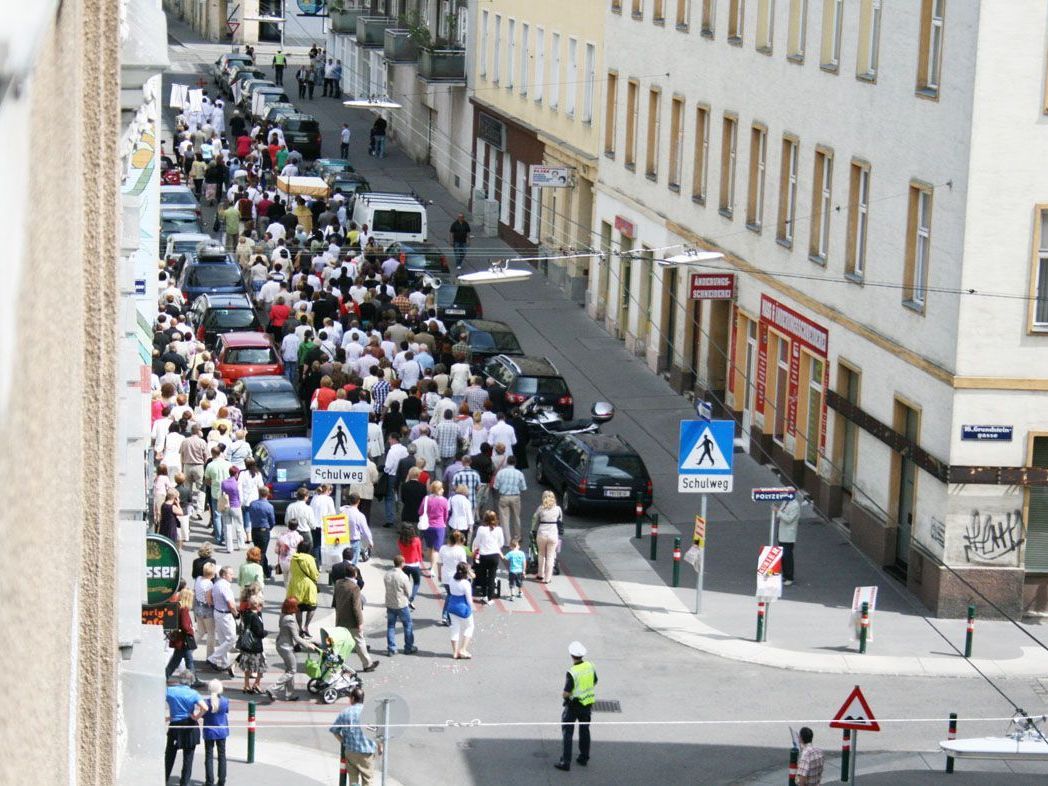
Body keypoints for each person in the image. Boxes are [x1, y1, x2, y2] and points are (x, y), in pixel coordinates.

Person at [555, 640, 597, 771]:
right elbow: (595, 681)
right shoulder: (590, 666)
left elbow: (566, 693)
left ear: (571, 655)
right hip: (587, 704)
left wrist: (565, 695)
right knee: (584, 731)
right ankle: (584, 758)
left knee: (567, 733)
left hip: (573, 705)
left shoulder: (572, 672)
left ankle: (565, 762)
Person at [330, 687, 381, 786]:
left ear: (352, 698)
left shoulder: (345, 712)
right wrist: (380, 746)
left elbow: (335, 731)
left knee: (353, 781)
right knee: (368, 780)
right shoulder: (371, 712)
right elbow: (377, 732)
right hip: (367, 753)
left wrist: (343, 741)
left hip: (351, 752)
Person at [270, 596, 318, 700]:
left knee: (289, 669)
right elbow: (296, 637)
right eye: (296, 605)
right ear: (292, 607)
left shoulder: (283, 615)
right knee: (292, 670)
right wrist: (308, 645)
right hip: (285, 647)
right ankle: (273, 688)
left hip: (281, 644)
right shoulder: (290, 619)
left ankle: (289, 694)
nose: (297, 607)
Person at [164, 670, 207, 786]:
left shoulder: (170, 690)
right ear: (191, 681)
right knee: (188, 756)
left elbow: (158, 700)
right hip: (190, 725)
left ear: (179, 679)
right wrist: (196, 717)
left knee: (170, 753)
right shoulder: (193, 693)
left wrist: (168, 717)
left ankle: (164, 777)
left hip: (175, 725)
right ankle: (185, 782)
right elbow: (205, 708)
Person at [334, 569, 380, 673]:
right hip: (352, 620)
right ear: (354, 574)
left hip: (340, 617)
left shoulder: (338, 583)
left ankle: (335, 664)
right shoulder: (355, 588)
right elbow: (356, 607)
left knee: (341, 643)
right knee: (359, 641)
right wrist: (360, 622)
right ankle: (368, 664)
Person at [206, 566, 239, 677]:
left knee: (222, 639)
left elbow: (209, 596)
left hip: (217, 612)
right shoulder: (225, 586)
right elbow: (230, 604)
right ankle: (213, 658)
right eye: (230, 574)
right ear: (224, 575)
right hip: (225, 615)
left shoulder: (216, 584)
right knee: (231, 638)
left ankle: (225, 663)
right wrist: (236, 613)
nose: (232, 576)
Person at [384, 555, 417, 656]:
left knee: (391, 626)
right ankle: (408, 647)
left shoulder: (387, 574)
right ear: (402, 563)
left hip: (390, 603)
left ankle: (391, 648)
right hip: (402, 604)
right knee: (407, 625)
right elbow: (409, 592)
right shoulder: (403, 576)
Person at [287, 541, 320, 637]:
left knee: (299, 608)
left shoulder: (294, 558)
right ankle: (306, 626)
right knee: (312, 606)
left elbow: (292, 570)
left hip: (296, 584)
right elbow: (314, 573)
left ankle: (300, 628)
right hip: (308, 585)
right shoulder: (309, 558)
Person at [236, 595, 268, 694]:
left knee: (248, 666)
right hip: (255, 646)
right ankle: (256, 684)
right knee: (262, 666)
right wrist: (265, 632)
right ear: (258, 605)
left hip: (246, 645)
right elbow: (259, 633)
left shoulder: (246, 614)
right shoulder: (255, 617)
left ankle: (246, 685)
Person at [471, 510, 504, 604]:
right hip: (494, 556)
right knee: (492, 576)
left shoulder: (481, 529)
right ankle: (490, 598)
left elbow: (477, 542)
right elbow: (501, 543)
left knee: (483, 575)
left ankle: (484, 594)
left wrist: (477, 548)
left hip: (484, 555)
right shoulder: (499, 529)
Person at [531, 490, 564, 584]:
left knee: (541, 555)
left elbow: (534, 518)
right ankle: (548, 578)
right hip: (553, 534)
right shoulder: (558, 509)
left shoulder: (541, 508)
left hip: (542, 533)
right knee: (550, 556)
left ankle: (540, 575)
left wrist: (533, 529)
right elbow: (560, 520)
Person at [202, 679, 230, 786]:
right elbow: (226, 711)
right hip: (222, 731)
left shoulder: (206, 702)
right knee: (222, 756)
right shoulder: (225, 701)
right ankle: (221, 781)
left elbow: (203, 714)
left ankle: (209, 781)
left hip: (209, 731)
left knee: (209, 756)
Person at [493, 455, 527, 543]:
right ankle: (517, 538)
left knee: (504, 519)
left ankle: (507, 541)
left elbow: (495, 486)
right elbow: (523, 488)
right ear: (515, 463)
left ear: (507, 462)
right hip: (515, 497)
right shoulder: (519, 473)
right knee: (516, 517)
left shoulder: (501, 473)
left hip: (504, 497)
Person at [165, 587, 197, 679]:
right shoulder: (184, 609)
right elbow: (185, 626)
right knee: (189, 660)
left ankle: (165, 676)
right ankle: (193, 680)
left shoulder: (178, 606)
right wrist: (191, 630)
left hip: (180, 639)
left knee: (176, 660)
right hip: (184, 639)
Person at [420, 480, 449, 576]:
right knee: (436, 549)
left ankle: (430, 563)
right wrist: (444, 522)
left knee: (429, 546)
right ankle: (432, 568)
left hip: (427, 526)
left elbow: (420, 511)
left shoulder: (426, 498)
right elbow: (446, 515)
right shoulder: (444, 501)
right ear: (439, 489)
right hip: (439, 526)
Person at [446, 561, 475, 658]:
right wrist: (471, 608)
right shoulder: (465, 583)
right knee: (470, 626)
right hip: (463, 608)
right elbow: (469, 599)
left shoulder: (451, 579)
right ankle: (463, 649)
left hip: (451, 605)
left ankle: (455, 652)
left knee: (455, 628)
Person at [248, 487, 276, 578]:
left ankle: (267, 571)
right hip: (264, 530)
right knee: (262, 553)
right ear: (267, 494)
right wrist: (269, 528)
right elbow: (272, 521)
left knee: (259, 551)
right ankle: (259, 572)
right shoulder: (269, 506)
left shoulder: (252, 504)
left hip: (254, 530)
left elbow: (251, 516)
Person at [194, 562, 217, 657]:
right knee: (211, 633)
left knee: (200, 631)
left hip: (198, 608)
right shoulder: (209, 584)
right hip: (207, 611)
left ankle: (188, 649)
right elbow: (209, 600)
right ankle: (210, 655)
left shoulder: (198, 579)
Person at [396, 525, 423, 607]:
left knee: (406, 583)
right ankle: (411, 599)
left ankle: (405, 599)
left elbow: (401, 551)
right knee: (417, 583)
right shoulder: (417, 540)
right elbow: (419, 552)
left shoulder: (400, 541)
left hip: (404, 565)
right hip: (415, 565)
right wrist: (420, 562)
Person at [777, 494, 801, 585]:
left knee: (787, 556)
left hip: (788, 535)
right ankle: (785, 575)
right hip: (781, 533)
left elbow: (789, 519)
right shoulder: (785, 502)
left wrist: (778, 512)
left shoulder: (795, 505)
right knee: (782, 556)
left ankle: (789, 577)